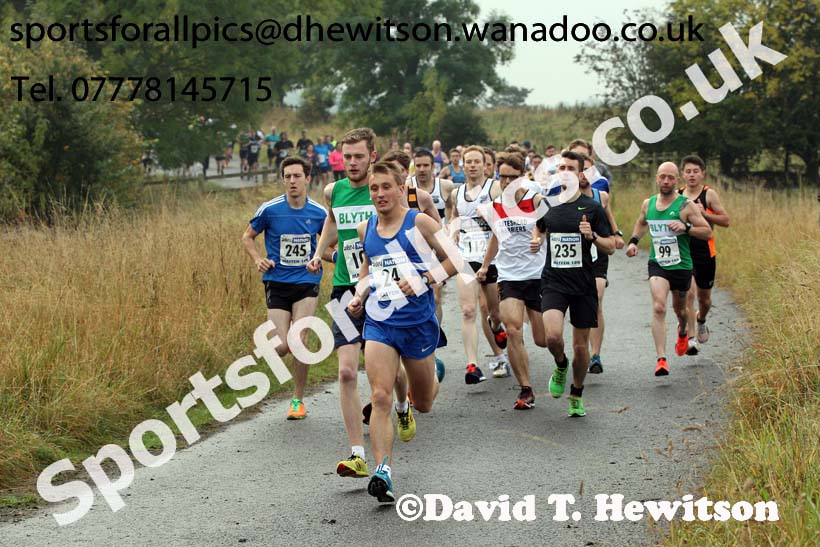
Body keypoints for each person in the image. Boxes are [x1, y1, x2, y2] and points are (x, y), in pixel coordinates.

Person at [347, 162, 458, 503]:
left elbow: (454, 260)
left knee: (424, 402)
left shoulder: (419, 222)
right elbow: (369, 266)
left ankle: (413, 397)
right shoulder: (366, 228)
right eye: (373, 188)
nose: (379, 194)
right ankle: (383, 472)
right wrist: (359, 293)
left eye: (385, 187)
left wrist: (424, 279)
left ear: (399, 189)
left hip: (418, 324)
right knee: (379, 396)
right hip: (381, 323)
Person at [306, 128, 409, 479]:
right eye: (346, 156)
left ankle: (403, 405)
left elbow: (405, 229)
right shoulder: (334, 191)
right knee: (348, 370)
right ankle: (356, 454)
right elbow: (331, 223)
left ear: (372, 156)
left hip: (382, 292)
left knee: (390, 372)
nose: (352, 162)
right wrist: (321, 254)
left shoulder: (384, 191)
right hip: (343, 289)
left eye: (359, 156)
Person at [241, 156, 327, 419]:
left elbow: (328, 244)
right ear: (283, 179)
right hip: (277, 281)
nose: (292, 181)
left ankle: (297, 401)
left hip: (306, 281)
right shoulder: (270, 209)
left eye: (297, 176)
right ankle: (274, 347)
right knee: (280, 346)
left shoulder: (319, 213)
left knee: (299, 341)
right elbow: (247, 236)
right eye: (287, 176)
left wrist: (320, 258)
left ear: (307, 179)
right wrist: (258, 259)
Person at [533, 151, 616, 417]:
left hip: (583, 283)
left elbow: (611, 246)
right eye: (561, 167)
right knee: (553, 337)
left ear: (581, 174)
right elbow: (539, 227)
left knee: (582, 348)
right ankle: (560, 363)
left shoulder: (592, 207)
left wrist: (592, 237)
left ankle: (577, 391)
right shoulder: (547, 204)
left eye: (571, 167)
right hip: (554, 281)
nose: (565, 171)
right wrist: (537, 239)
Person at [625, 162, 713, 376]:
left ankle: (683, 331)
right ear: (657, 178)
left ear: (677, 181)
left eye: (671, 178)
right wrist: (634, 241)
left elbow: (707, 232)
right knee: (658, 307)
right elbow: (642, 222)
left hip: (681, 266)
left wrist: (687, 227)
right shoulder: (649, 203)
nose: (666, 181)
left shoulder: (685, 206)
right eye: (662, 177)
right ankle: (661, 359)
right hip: (658, 265)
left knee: (680, 311)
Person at [476, 153, 549, 409]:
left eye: (511, 177)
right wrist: (486, 266)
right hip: (509, 276)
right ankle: (526, 389)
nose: (506, 182)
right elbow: (496, 236)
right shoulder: (496, 205)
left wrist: (539, 238)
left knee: (544, 339)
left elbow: (549, 226)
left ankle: (560, 361)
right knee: (514, 330)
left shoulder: (537, 200)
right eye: (502, 177)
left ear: (523, 177)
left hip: (537, 276)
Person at [451, 146, 509, 383]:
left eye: (477, 161)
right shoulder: (457, 193)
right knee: (468, 310)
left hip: (493, 258)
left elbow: (505, 220)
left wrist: (488, 215)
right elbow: (454, 217)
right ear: (462, 165)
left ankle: (497, 328)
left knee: (493, 312)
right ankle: (472, 366)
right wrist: (453, 233)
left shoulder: (493, 188)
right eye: (469, 162)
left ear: (486, 165)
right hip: (467, 258)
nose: (473, 165)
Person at [576, 153, 626, 373]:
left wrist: (616, 234)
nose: (583, 175)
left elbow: (609, 216)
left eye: (588, 170)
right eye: (580, 170)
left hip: (597, 255)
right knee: (578, 306)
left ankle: (595, 355)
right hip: (574, 258)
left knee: (596, 300)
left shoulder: (601, 195)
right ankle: (581, 350)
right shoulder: (561, 195)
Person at [676, 155, 730, 354]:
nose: (691, 175)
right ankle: (691, 339)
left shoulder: (709, 195)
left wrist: (704, 213)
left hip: (705, 251)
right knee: (688, 294)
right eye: (688, 171)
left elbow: (725, 221)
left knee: (704, 300)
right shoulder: (678, 195)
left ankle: (701, 320)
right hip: (683, 250)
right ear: (682, 174)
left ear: (702, 173)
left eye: (695, 171)